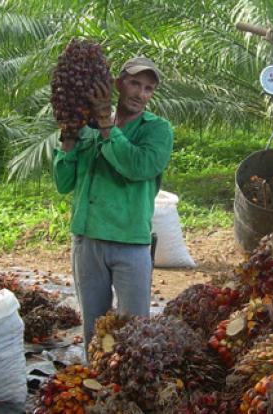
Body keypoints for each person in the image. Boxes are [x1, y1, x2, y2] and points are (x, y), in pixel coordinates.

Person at [52, 56, 173, 353]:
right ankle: (95, 386)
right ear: (118, 83)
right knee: (95, 328)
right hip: (87, 241)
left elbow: (137, 167)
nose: (139, 94)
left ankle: (128, 391)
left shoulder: (157, 129)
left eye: (148, 88)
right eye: (134, 83)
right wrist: (68, 140)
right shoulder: (88, 128)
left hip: (130, 243)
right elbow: (63, 183)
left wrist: (107, 125)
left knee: (134, 330)